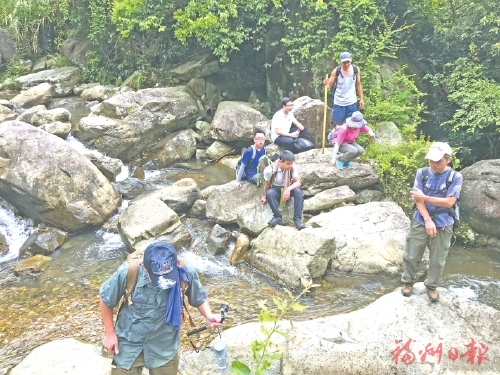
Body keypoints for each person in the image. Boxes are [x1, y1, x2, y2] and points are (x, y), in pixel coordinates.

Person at [100, 241, 221, 374]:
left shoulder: (185, 272)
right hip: (129, 343)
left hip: (165, 345)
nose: (164, 283)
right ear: (144, 267)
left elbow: (199, 298)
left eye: (168, 276)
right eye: (158, 278)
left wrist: (209, 315)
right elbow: (106, 300)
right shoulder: (128, 272)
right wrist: (110, 334)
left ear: (177, 263)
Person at [401, 142, 463, 303]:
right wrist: (428, 220)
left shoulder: (455, 177)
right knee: (412, 254)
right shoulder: (422, 173)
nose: (434, 164)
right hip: (421, 219)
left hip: (444, 222)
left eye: (439, 161)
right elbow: (417, 199)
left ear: (448, 160)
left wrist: (425, 197)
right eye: (431, 160)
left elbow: (449, 202)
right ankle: (408, 282)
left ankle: (432, 285)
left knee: (438, 259)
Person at [260, 150, 306, 230]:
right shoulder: (269, 170)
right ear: (281, 162)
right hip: (276, 188)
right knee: (269, 194)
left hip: (289, 186)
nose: (290, 166)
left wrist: (288, 189)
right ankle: (277, 216)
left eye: (291, 163)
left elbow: (298, 182)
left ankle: (297, 219)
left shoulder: (292, 166)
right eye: (288, 164)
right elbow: (267, 184)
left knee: (298, 192)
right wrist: (265, 196)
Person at [323, 51, 365, 126]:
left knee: (352, 125)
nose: (346, 64)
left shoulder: (356, 69)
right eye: (344, 62)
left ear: (351, 60)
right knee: (339, 125)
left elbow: (358, 84)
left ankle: (349, 138)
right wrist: (326, 83)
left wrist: (361, 99)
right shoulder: (336, 71)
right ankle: (339, 137)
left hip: (352, 102)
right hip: (339, 102)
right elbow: (328, 86)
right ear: (340, 62)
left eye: (348, 62)